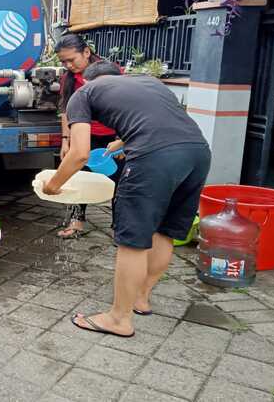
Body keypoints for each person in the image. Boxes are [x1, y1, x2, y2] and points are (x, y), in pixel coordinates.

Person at [42, 61, 210, 337]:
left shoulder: (82, 94)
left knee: (132, 241)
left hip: (156, 158)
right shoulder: (149, 82)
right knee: (164, 232)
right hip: (197, 153)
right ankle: (141, 298)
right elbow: (161, 119)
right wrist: (121, 142)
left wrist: (54, 185)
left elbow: (80, 153)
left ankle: (119, 319)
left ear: (87, 80)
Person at [55, 34, 123, 238]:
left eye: (71, 60)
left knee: (120, 182)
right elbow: (66, 110)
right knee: (78, 177)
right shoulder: (68, 78)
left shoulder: (109, 73)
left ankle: (120, 227)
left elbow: (124, 107)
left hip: (113, 136)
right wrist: (66, 141)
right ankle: (77, 222)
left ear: (86, 52)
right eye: (63, 62)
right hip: (83, 134)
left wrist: (122, 141)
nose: (68, 65)